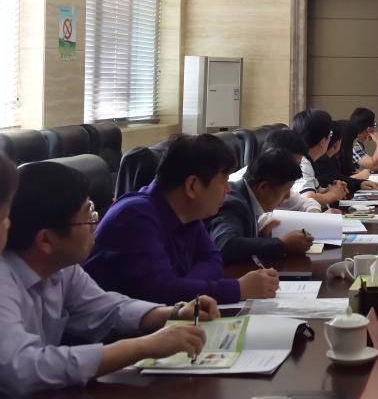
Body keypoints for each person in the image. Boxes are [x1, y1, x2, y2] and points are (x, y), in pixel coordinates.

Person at [0, 161, 218, 393]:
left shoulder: (62, 268)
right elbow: (23, 369)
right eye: (87, 216)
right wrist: (143, 346)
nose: (95, 225)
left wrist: (175, 313)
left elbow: (107, 309)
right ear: (46, 240)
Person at [85, 134, 279, 304]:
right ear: (192, 186)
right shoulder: (134, 217)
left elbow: (213, 260)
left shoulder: (188, 212)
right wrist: (238, 289)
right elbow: (162, 293)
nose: (228, 189)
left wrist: (183, 287)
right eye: (223, 181)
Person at [207, 148, 314, 264]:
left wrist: (260, 236)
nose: (288, 197)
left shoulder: (246, 196)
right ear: (263, 188)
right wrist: (282, 244)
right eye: (287, 189)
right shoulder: (233, 204)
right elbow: (225, 245)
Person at [230, 128, 323, 213]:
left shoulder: (279, 186)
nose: (296, 169)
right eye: (294, 164)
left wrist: (314, 216)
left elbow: (307, 203)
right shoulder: (236, 200)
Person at [291, 109, 348, 209]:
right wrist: (333, 195)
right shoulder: (302, 162)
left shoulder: (306, 160)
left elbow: (315, 191)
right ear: (322, 142)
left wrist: (332, 189)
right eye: (330, 134)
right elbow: (307, 198)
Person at [334, 120, 378, 191]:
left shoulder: (342, 155)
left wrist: (360, 183)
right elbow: (374, 166)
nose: (355, 142)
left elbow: (343, 176)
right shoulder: (328, 159)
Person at [349, 107, 378, 173]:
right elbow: (375, 166)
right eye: (374, 125)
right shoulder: (354, 144)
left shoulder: (356, 142)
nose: (375, 128)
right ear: (368, 129)